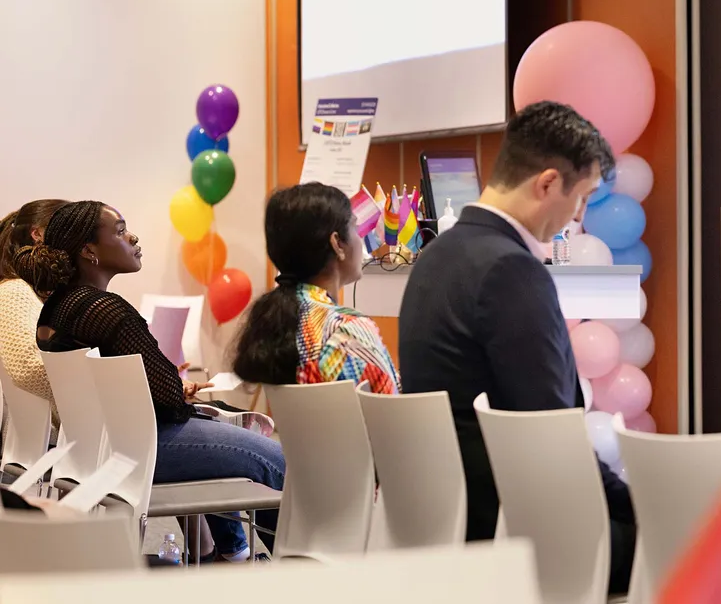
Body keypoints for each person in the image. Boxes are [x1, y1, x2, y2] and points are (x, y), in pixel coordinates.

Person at [398, 100, 636, 594]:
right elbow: (551, 441)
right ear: (548, 183)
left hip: (449, 519)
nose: (579, 215)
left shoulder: (436, 255)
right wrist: (646, 502)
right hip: (515, 530)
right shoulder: (511, 270)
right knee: (692, 541)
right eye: (583, 197)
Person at [14, 201, 285, 560]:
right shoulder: (106, 310)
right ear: (89, 251)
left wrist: (172, 390)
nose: (133, 237)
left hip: (101, 449)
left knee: (232, 437)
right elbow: (170, 398)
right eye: (121, 230)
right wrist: (177, 388)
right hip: (143, 448)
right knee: (277, 461)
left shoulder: (58, 307)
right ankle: (299, 563)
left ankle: (234, 555)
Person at [232, 182, 398, 393]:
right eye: (355, 228)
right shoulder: (345, 330)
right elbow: (394, 413)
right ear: (337, 243)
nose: (360, 239)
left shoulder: (276, 324)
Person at [0, 200, 68, 416]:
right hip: (48, 439)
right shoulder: (14, 291)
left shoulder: (35, 292)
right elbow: (29, 369)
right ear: (37, 234)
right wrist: (97, 392)